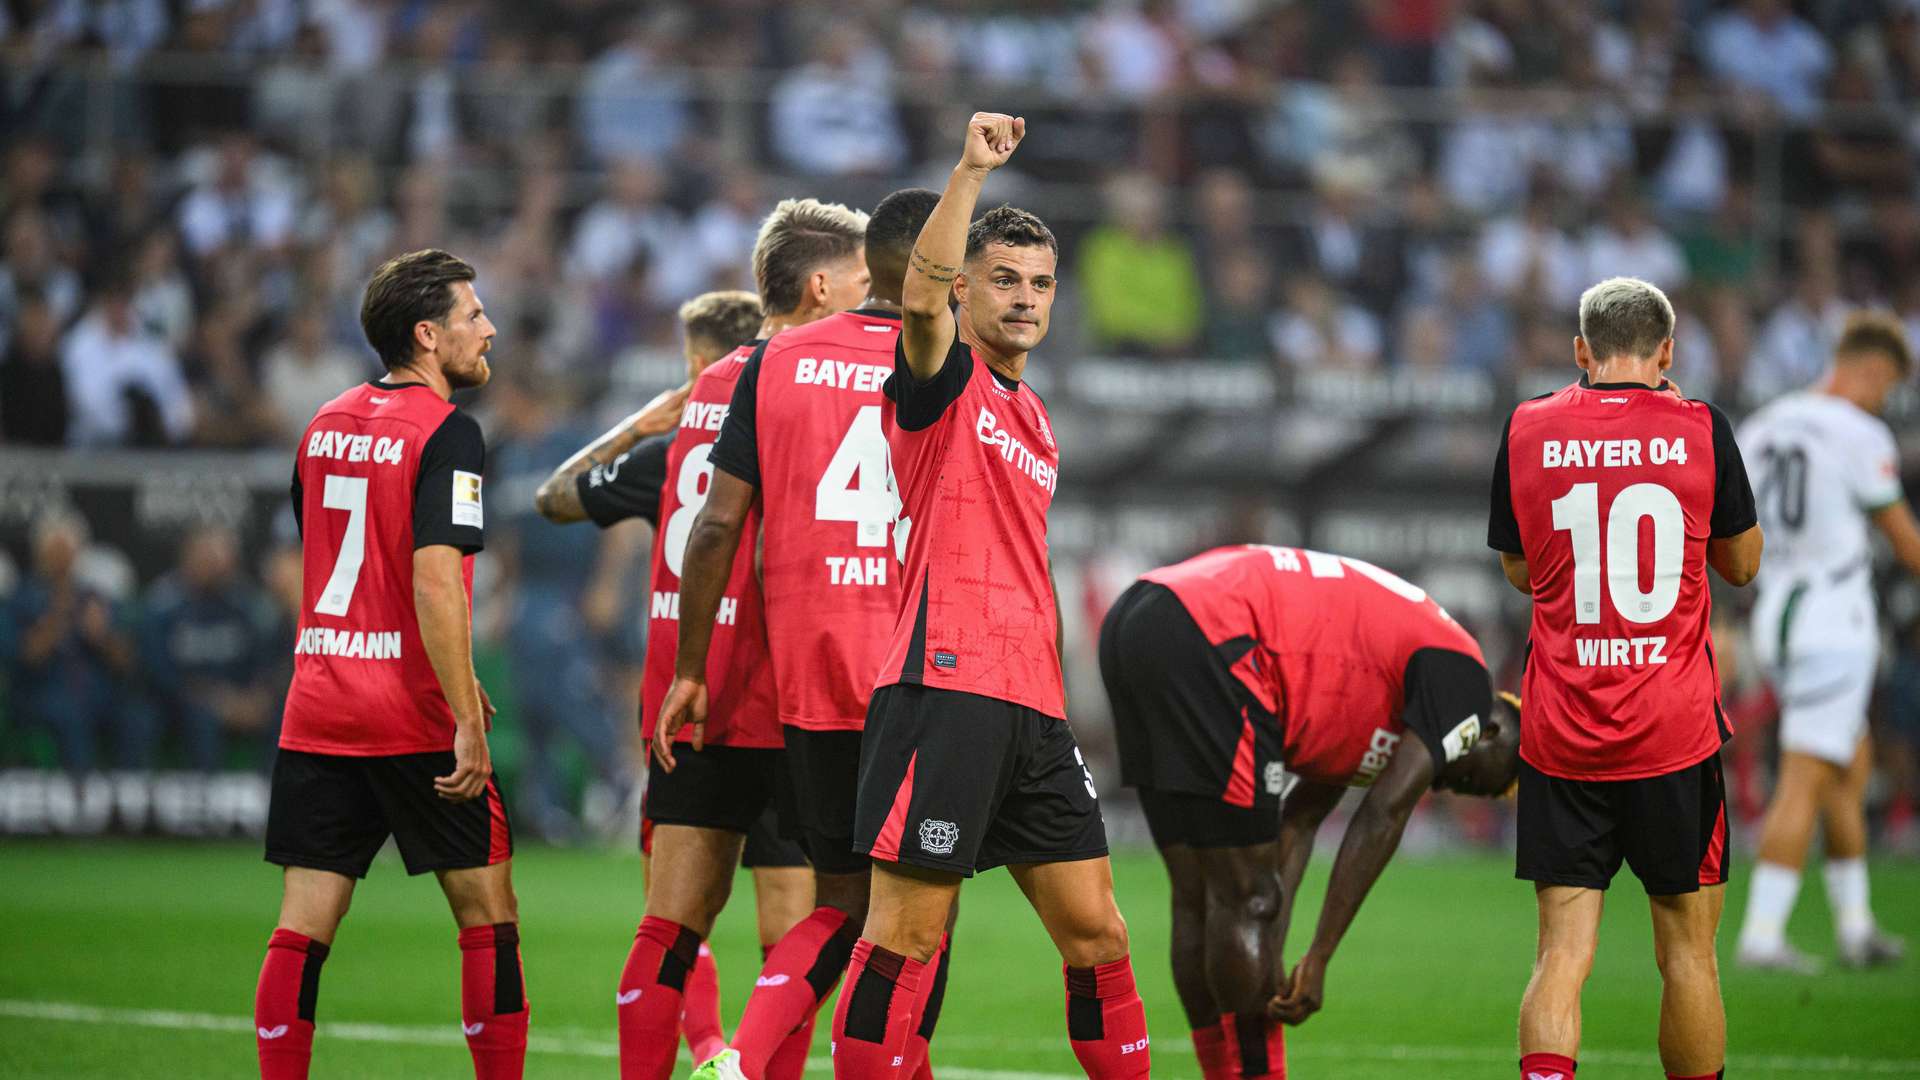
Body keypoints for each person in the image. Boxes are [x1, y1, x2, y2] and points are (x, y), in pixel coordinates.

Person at [855, 113, 1152, 1077]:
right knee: (906, 936)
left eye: (1040, 284)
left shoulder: (1035, 416)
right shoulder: (942, 380)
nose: (1025, 300)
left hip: (1030, 708)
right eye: (1004, 281)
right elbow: (922, 295)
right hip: (943, 692)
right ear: (967, 289)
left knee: (1099, 934)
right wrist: (970, 172)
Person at [665, 188, 943, 1080]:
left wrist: (691, 665)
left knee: (836, 904)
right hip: (917, 672)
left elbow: (713, 529)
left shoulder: (773, 360)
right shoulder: (945, 361)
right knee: (920, 909)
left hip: (812, 675)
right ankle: (886, 1063)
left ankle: (739, 1057)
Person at [598, 197, 872, 1079]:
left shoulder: (710, 386)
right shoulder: (817, 376)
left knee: (670, 919)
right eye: (866, 281)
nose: (876, 297)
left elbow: (578, 501)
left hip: (694, 682)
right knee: (810, 924)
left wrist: (685, 666)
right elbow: (758, 535)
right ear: (822, 285)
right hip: (791, 691)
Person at [1099, 544, 1524, 1079]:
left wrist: (1272, 946)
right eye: (1485, 784)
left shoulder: (1377, 692)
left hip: (1142, 616)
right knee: (1244, 897)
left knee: (1203, 897)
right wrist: (1319, 954)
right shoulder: (1465, 682)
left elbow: (1299, 822)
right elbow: (1384, 814)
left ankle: (1223, 1071)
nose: (1463, 790)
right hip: (1214, 635)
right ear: (1490, 733)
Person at [254, 250, 527, 1080]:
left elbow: (331, 557)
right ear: (425, 334)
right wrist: (466, 717)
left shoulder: (323, 422)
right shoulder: (450, 433)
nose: (488, 330)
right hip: (409, 711)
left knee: (303, 924)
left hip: (320, 704)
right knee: (488, 915)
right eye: (472, 316)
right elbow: (434, 579)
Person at [1488, 276, 1763, 1080]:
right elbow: (1742, 566)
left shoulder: (1528, 426)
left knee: (1561, 952)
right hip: (1673, 732)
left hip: (1563, 731)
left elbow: (1517, 569)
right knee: (1687, 954)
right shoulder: (1702, 428)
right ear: (1667, 352)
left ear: (1581, 351)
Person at [1733, 312, 1917, 971]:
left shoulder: (1763, 425)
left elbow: (1729, 527)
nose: (1883, 400)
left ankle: (1856, 926)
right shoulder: (1859, 431)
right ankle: (1761, 933)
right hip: (1834, 618)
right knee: (1806, 776)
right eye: (1886, 385)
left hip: (1777, 609)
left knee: (1848, 769)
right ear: (1870, 369)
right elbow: (1904, 540)